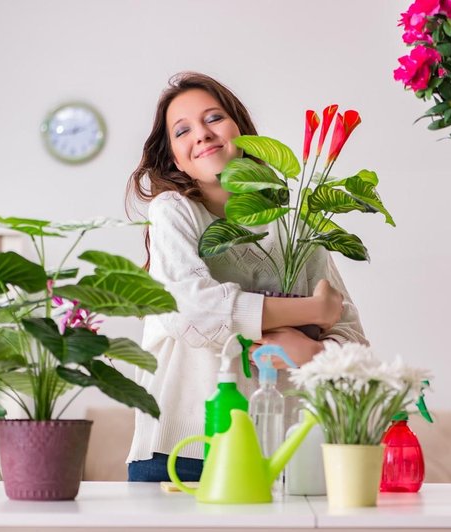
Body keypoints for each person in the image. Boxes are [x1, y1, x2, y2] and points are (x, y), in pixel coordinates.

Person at [124, 72, 367, 482]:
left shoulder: (295, 226)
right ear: (175, 159)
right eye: (182, 130)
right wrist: (312, 309)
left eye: (213, 118)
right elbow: (191, 312)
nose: (201, 134)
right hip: (182, 453)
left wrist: (309, 352)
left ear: (242, 131)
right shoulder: (174, 211)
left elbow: (356, 345)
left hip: (285, 453)